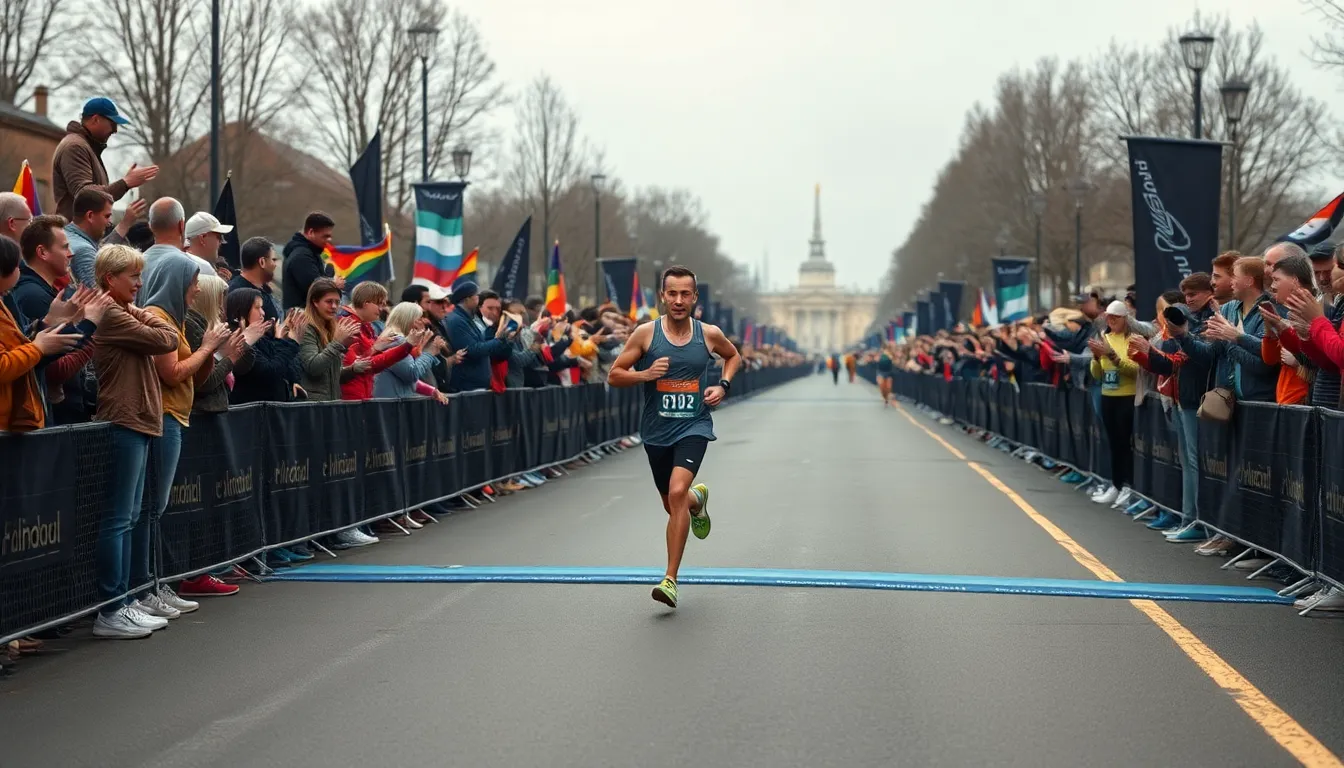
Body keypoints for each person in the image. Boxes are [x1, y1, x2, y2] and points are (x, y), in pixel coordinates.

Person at [607, 265, 741, 609]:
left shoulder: (708, 334)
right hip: (656, 431)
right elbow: (614, 375)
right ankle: (699, 500)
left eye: (685, 294)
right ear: (662, 297)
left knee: (676, 491)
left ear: (695, 298)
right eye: (672, 293)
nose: (679, 300)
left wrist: (723, 386)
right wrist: (646, 374)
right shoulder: (645, 335)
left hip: (694, 426)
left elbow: (733, 356)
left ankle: (670, 579)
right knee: (673, 504)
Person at [89, 243, 184, 638]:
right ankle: (111, 608)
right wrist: (144, 314)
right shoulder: (111, 312)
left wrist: (140, 312)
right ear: (110, 278)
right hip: (123, 420)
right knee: (118, 519)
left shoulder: (123, 310)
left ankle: (126, 600)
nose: (140, 284)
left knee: (128, 517)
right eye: (133, 277)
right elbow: (167, 340)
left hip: (139, 420)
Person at [51, 96, 158, 220]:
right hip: (75, 236)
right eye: (112, 124)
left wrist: (125, 184)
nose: (115, 130)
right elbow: (84, 195)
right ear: (96, 119)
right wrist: (125, 183)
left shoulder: (85, 146)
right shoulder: (75, 147)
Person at [1088, 301, 1140, 506]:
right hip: (1107, 395)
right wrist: (1095, 357)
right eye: (1108, 317)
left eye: (1115, 318)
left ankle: (1128, 485)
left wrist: (1111, 356)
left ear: (1125, 319)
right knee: (1113, 443)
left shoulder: (1133, 339)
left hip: (1127, 396)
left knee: (1125, 443)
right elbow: (1097, 374)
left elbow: (1136, 370)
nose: (1111, 321)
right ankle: (1116, 484)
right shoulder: (1104, 337)